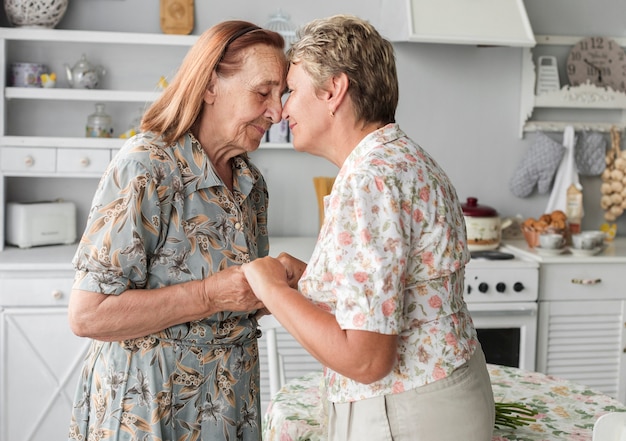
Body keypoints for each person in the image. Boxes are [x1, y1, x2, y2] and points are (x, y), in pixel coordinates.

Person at [242, 14, 495, 441]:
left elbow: (366, 360)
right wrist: (311, 280)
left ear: (334, 91)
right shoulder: (405, 160)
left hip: (406, 411)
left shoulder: (368, 181)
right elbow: (401, 291)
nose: (283, 109)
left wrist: (272, 289)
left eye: (292, 91)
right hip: (445, 392)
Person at [67, 20, 292, 441]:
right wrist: (209, 295)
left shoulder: (250, 184)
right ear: (210, 86)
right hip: (148, 407)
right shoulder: (146, 167)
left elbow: (235, 305)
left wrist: (279, 286)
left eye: (283, 96)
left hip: (230, 406)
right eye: (263, 93)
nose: (277, 112)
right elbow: (87, 314)